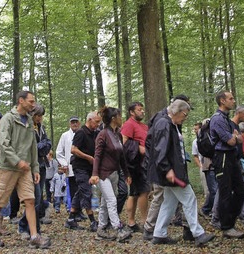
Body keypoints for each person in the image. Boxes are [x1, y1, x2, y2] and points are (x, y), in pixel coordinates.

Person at [0, 91, 51, 249]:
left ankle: (34, 236)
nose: (33, 104)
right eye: (31, 101)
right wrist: (17, 161)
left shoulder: (29, 120)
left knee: (30, 200)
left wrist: (34, 167)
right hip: (7, 167)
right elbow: (3, 144)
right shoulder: (8, 119)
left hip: (25, 168)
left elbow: (33, 146)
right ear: (21, 101)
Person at [146, 99, 215, 246]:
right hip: (171, 172)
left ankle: (159, 234)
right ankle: (198, 233)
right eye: (185, 114)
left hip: (173, 171)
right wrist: (167, 169)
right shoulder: (164, 124)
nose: (186, 118)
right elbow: (160, 150)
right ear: (179, 112)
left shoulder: (171, 124)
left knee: (169, 203)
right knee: (190, 199)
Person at [89, 106, 133, 242]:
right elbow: (97, 155)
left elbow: (122, 157)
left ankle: (101, 230)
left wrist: (126, 174)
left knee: (104, 203)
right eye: (120, 116)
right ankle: (118, 228)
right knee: (112, 200)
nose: (122, 119)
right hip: (102, 174)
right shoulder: (102, 134)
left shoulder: (118, 134)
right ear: (113, 118)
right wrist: (95, 174)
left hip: (114, 173)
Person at [209, 91, 244, 239]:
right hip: (222, 157)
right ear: (222, 101)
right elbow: (232, 141)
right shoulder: (217, 119)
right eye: (230, 98)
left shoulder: (228, 120)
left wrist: (236, 137)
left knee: (241, 191)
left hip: (232, 157)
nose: (234, 100)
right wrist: (236, 137)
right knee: (225, 192)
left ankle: (229, 220)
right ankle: (226, 226)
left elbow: (238, 139)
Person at [18, 105, 53, 237]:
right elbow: (30, 147)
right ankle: (25, 227)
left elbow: (48, 143)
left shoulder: (41, 128)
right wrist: (41, 146)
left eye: (41, 116)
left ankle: (29, 227)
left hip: (42, 164)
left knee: (38, 198)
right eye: (37, 115)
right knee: (34, 198)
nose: (39, 118)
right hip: (32, 166)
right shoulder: (26, 127)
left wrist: (43, 146)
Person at [65, 111, 101, 232]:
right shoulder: (81, 132)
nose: (98, 124)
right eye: (96, 122)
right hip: (79, 166)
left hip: (89, 168)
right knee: (87, 192)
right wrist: (88, 158)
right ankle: (92, 221)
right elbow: (73, 150)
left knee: (80, 192)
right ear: (89, 120)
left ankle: (70, 219)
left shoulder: (95, 133)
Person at [121, 102, 150, 232]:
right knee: (144, 191)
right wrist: (139, 148)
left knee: (134, 193)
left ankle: (131, 223)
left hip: (144, 162)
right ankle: (146, 222)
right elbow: (124, 143)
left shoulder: (144, 126)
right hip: (135, 163)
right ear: (132, 112)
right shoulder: (129, 124)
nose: (142, 112)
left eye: (142, 109)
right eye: (139, 110)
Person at [56, 116, 81, 214]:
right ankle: (75, 212)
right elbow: (59, 152)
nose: (74, 124)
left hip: (81, 167)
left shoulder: (82, 134)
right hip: (70, 168)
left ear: (79, 123)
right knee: (73, 191)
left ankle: (80, 211)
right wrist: (64, 164)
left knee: (81, 190)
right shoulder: (65, 135)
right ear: (69, 124)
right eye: (72, 122)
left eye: (76, 122)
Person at [192, 122, 212, 218]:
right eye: (194, 129)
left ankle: (210, 209)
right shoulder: (195, 141)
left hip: (212, 166)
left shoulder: (209, 137)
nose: (195, 131)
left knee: (213, 189)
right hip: (203, 166)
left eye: (196, 129)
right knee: (207, 190)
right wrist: (200, 165)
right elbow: (195, 155)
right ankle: (206, 210)